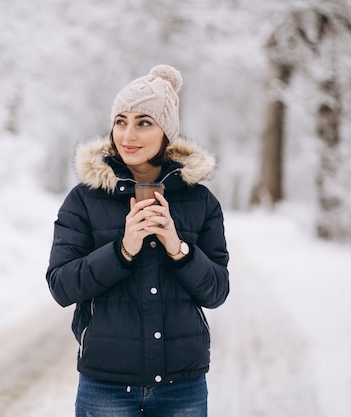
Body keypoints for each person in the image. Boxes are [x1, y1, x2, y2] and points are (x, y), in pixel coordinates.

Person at [46, 64, 230, 417]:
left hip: (183, 386)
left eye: (144, 122)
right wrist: (122, 249)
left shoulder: (200, 201)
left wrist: (179, 249)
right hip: (105, 386)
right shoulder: (85, 199)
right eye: (121, 121)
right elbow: (61, 286)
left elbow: (217, 292)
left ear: (166, 131)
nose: (128, 134)